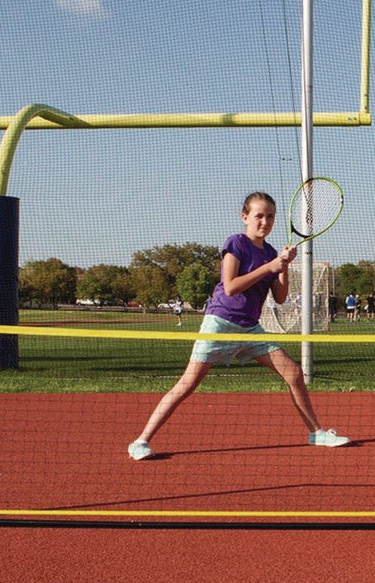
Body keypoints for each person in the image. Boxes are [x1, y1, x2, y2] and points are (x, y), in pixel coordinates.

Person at [128, 192, 350, 459]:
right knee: (187, 383)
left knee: (293, 373)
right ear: (245, 217)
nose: (264, 222)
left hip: (250, 328)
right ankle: (141, 441)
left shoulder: (270, 253)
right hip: (221, 322)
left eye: (270, 217)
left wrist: (283, 267)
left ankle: (316, 433)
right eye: (258, 216)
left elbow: (279, 298)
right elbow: (231, 287)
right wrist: (269, 267)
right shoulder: (236, 243)